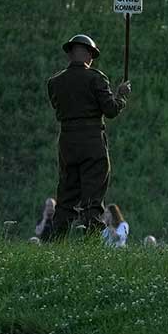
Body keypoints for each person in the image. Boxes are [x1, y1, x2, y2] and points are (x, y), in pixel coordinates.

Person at [44, 34, 130, 238]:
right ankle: (91, 240)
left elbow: (58, 107)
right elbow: (110, 110)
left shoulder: (54, 82)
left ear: (70, 54)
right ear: (89, 56)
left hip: (67, 143)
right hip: (92, 142)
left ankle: (57, 242)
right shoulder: (96, 78)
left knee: (66, 195)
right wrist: (121, 95)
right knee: (93, 195)